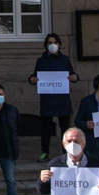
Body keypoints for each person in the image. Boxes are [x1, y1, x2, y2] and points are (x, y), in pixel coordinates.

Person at [30, 33, 75, 162]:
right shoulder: (41, 61)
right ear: (46, 45)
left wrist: (74, 77)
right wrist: (32, 79)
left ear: (59, 44)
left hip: (62, 99)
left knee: (65, 128)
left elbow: (72, 74)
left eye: (55, 42)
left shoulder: (65, 59)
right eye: (50, 43)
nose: (52, 45)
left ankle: (67, 153)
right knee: (45, 128)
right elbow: (34, 76)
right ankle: (45, 152)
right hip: (47, 99)